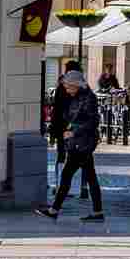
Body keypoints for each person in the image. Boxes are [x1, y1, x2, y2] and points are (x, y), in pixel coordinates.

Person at [37, 69, 104, 223]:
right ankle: (97, 212)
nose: (67, 90)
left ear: (76, 85)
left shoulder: (88, 98)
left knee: (68, 175)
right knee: (89, 176)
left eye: (68, 87)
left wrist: (74, 132)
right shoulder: (77, 97)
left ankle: (54, 210)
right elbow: (72, 116)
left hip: (83, 143)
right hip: (79, 143)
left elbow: (93, 122)